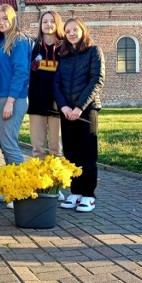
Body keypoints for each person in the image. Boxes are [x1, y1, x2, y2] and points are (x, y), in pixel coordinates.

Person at [54, 18, 105, 212]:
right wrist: (64, 107)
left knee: (87, 154)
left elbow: (97, 80)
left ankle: (88, 195)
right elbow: (56, 83)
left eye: (75, 30)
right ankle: (75, 192)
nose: (72, 33)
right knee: (71, 153)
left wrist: (79, 107)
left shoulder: (94, 52)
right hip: (67, 111)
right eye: (68, 31)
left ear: (83, 31)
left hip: (87, 110)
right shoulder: (63, 55)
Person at [0, 4, 30, 166]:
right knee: (3, 144)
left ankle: (26, 186)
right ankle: (13, 185)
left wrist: (10, 101)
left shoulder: (18, 40)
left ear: (13, 19)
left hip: (13, 98)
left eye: (5, 18)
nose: (1, 22)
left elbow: (21, 72)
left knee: (9, 144)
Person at [29, 10, 64, 160]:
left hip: (58, 104)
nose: (48, 24)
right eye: (45, 21)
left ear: (57, 24)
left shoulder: (65, 48)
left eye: (52, 21)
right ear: (40, 25)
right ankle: (40, 182)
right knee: (38, 150)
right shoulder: (33, 47)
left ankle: (58, 183)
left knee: (57, 150)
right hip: (37, 103)